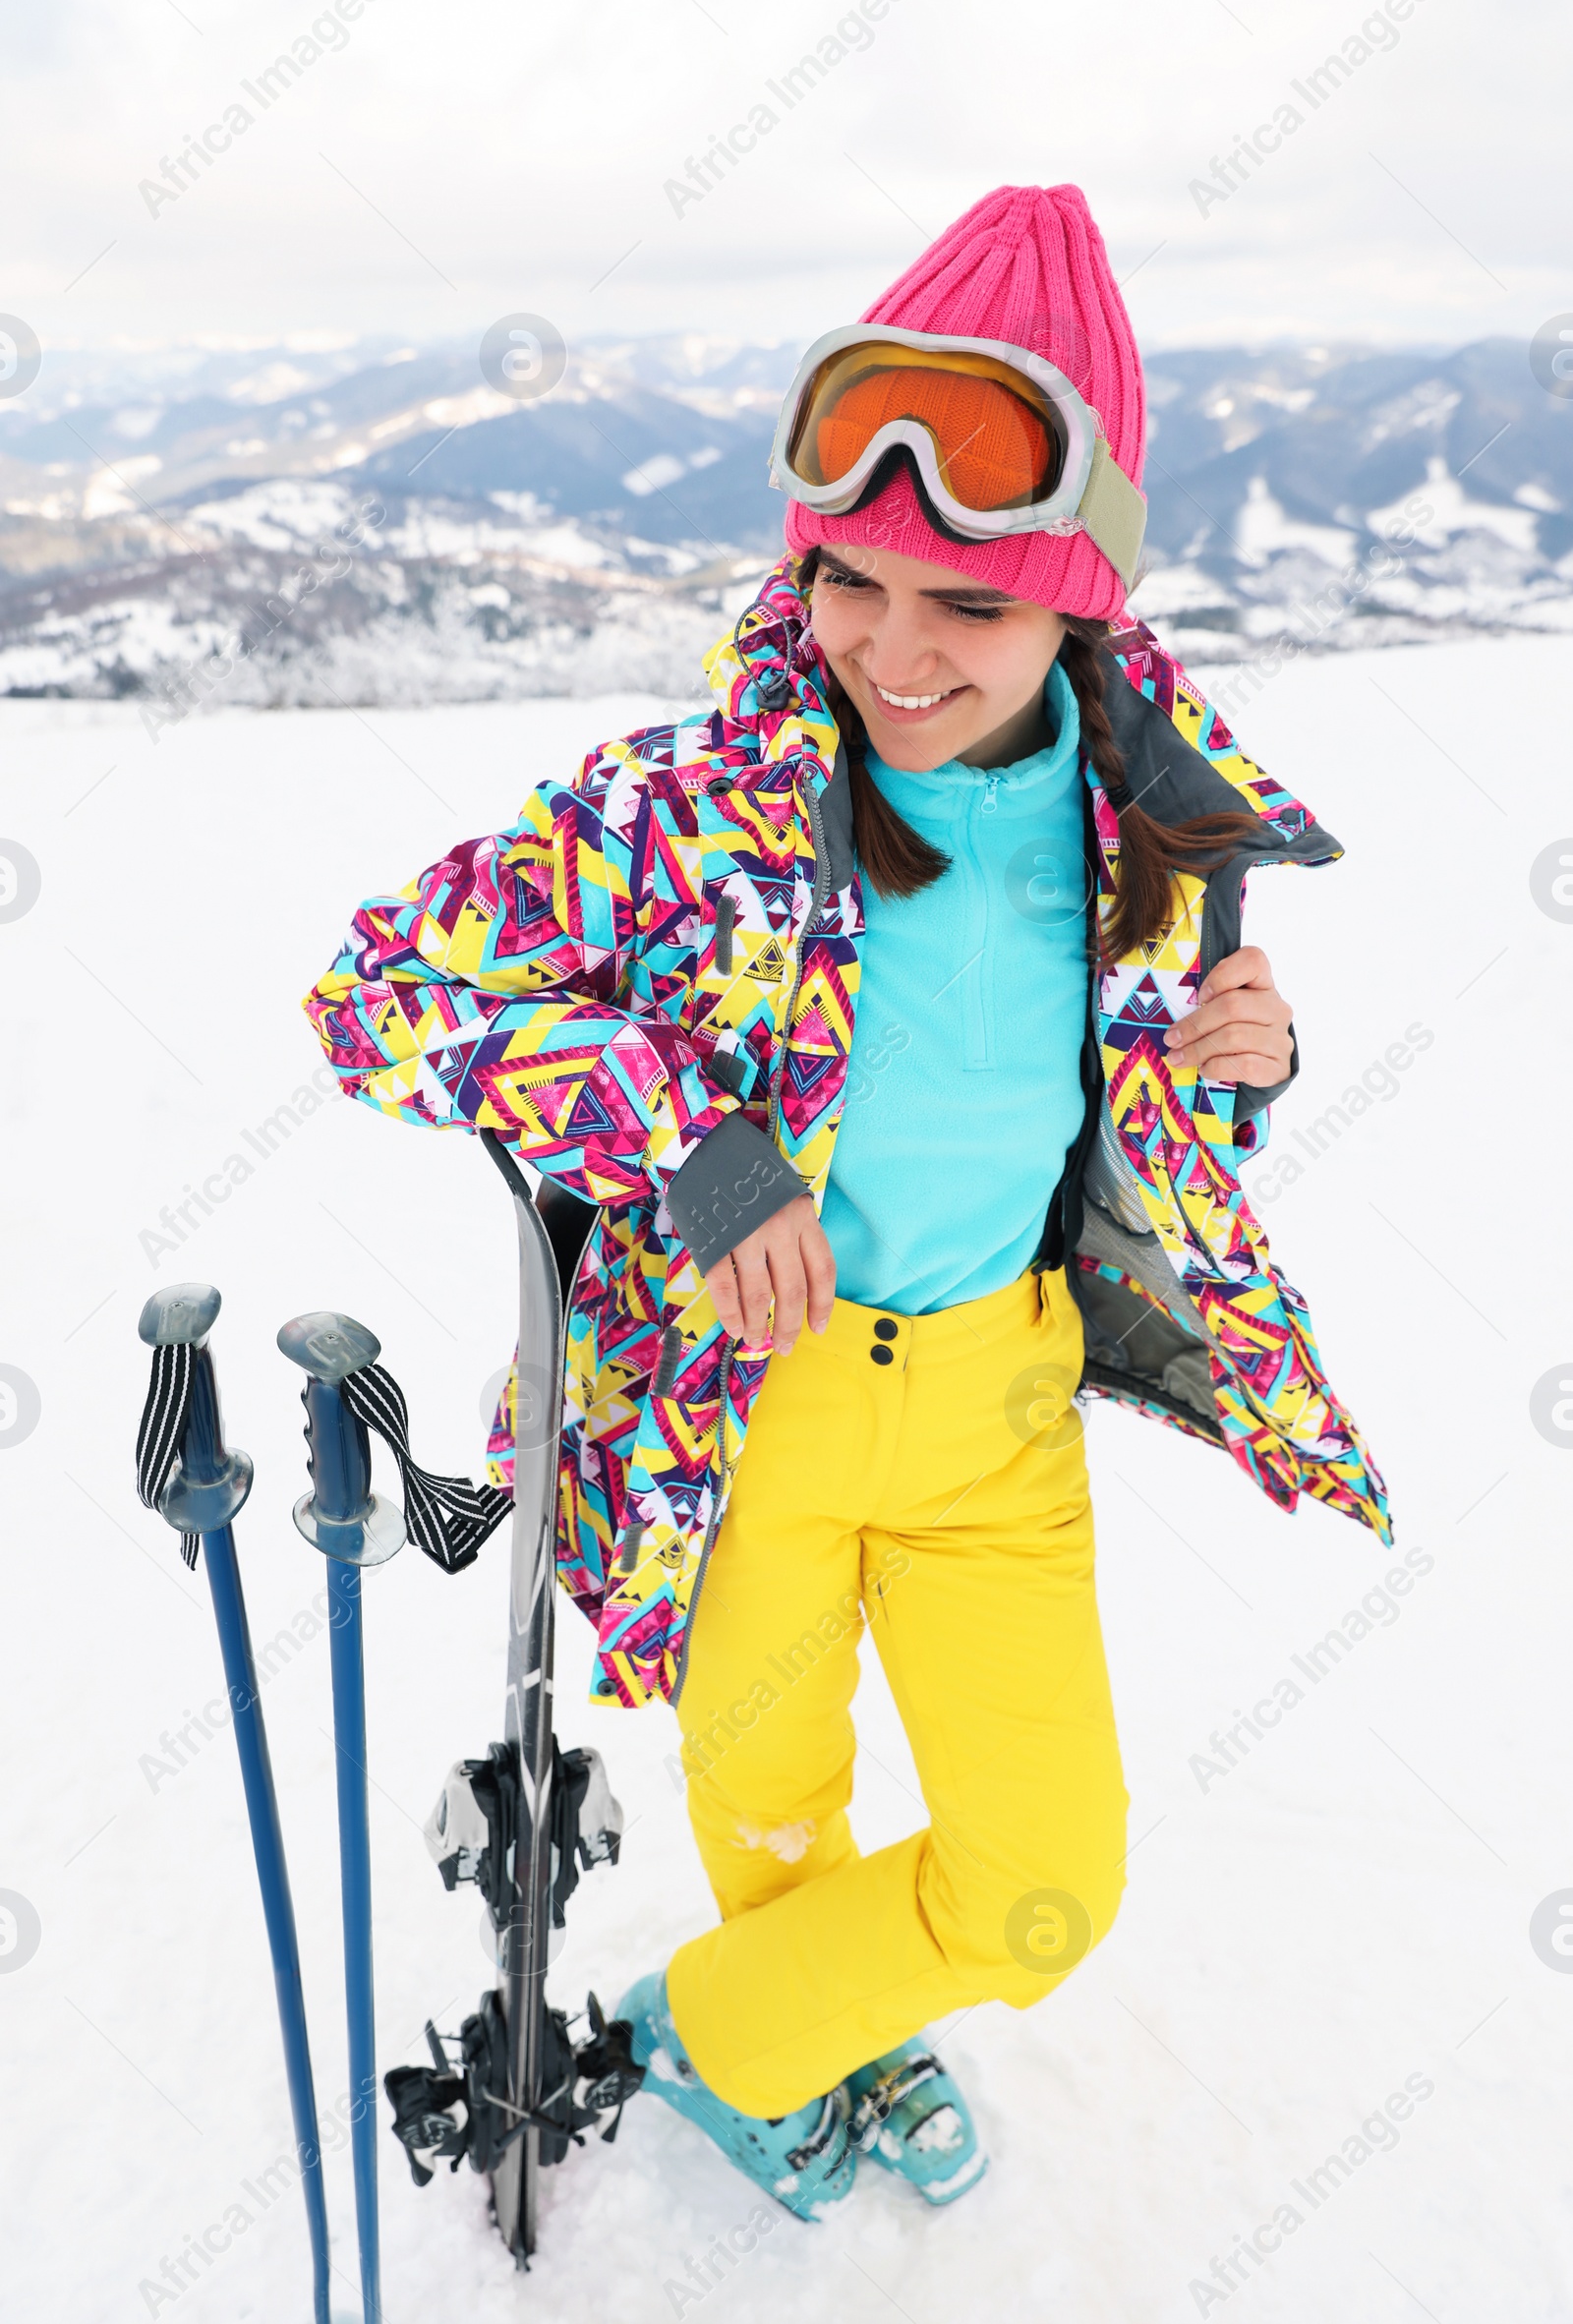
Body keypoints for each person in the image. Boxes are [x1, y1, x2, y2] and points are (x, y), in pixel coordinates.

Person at [306, 183, 1388, 2221]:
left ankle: (697, 2040)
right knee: (776, 1825)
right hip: (746, 1415)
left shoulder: (1153, 831)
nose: (892, 652)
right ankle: (812, 2033)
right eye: (851, 583)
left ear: (1081, 606)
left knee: (1038, 1878)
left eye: (967, 609)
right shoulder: (683, 813)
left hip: (994, 1416)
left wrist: (1236, 1069)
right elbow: (382, 992)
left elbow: (1112, 1141)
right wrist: (696, 1155)